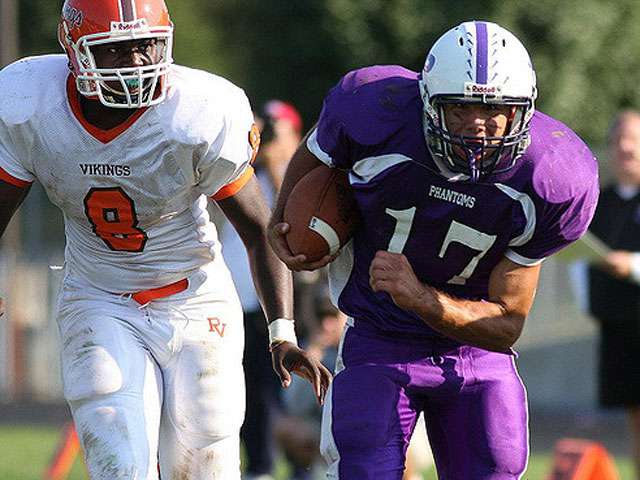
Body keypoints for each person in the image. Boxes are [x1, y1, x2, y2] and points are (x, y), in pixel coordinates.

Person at [0, 1, 330, 478]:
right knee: (118, 458)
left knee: (206, 459)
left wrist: (282, 332)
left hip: (195, 295)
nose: (138, 64)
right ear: (73, 48)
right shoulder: (30, 102)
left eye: (147, 45)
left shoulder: (196, 111)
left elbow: (260, 230)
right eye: (117, 50)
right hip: (99, 294)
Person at [268, 20, 599, 479]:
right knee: (364, 469)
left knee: (495, 467)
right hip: (379, 335)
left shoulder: (554, 176)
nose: (481, 125)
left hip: (475, 352)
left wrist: (422, 296)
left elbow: (506, 323)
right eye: (461, 107)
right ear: (427, 104)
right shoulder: (373, 107)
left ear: (524, 109)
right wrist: (283, 219)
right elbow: (317, 158)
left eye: (498, 109)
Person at [220, 100, 304, 480]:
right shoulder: (243, 173)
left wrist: (274, 158)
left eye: (277, 130)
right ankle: (259, 467)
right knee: (244, 393)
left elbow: (289, 212)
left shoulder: (299, 176)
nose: (269, 138)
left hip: (284, 303)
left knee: (283, 393)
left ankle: (302, 468)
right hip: (237, 298)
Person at [588, 110, 640, 480]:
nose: (625, 147)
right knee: (634, 416)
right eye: (619, 139)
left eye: (634, 139)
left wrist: (633, 266)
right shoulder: (598, 203)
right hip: (617, 326)